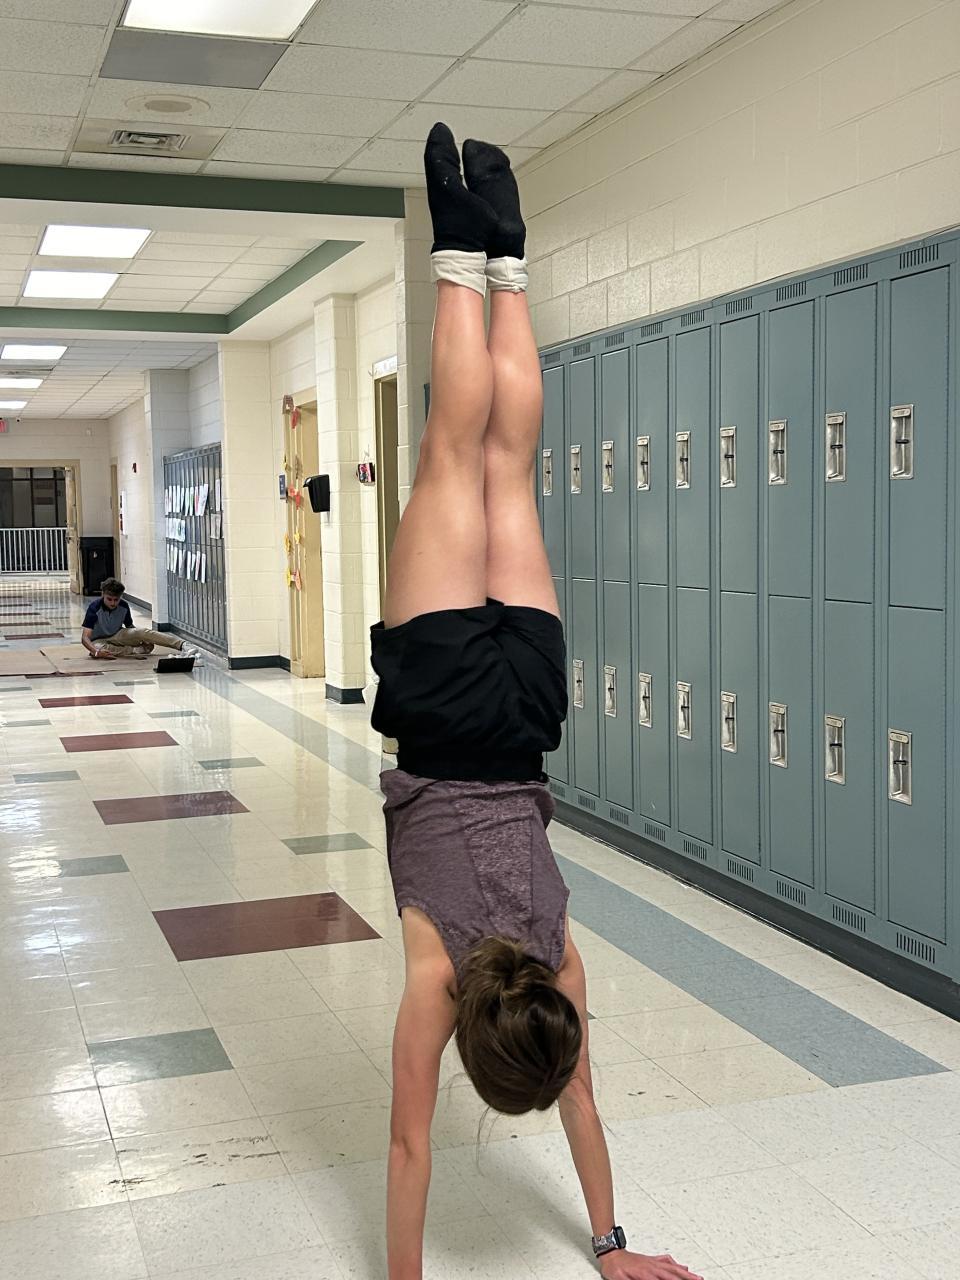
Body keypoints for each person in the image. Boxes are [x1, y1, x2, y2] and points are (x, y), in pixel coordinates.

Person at [370, 124, 700, 1280]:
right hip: (441, 704)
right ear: (470, 1041)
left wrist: (613, 1243)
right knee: (451, 452)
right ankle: (459, 250)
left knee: (508, 465)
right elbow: (410, 1146)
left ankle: (507, 260)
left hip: (527, 712)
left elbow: (585, 1104)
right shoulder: (435, 985)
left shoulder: (561, 967)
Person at [80, 577, 199, 661]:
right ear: (103, 595)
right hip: (98, 641)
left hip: (117, 635)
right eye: (109, 599)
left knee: (142, 632)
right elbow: (85, 637)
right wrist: (96, 652)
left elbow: (130, 628)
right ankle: (135, 650)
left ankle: (182, 644)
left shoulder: (124, 606)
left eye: (116, 600)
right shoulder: (94, 608)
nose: (113, 603)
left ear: (120, 597)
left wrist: (142, 637)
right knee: (97, 648)